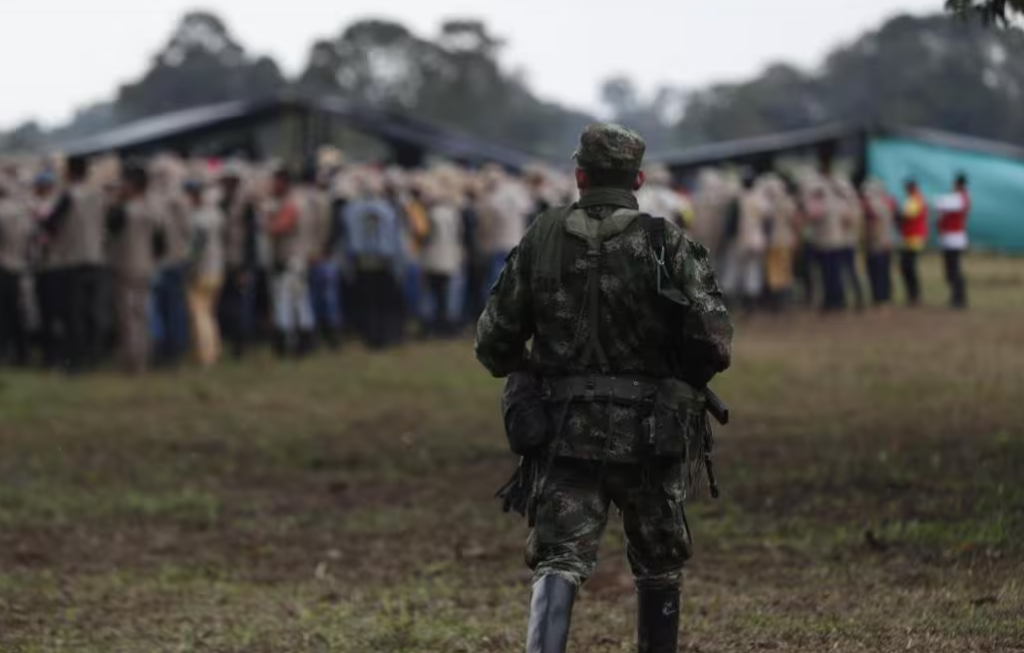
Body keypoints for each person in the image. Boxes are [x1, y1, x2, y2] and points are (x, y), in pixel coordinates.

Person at [476, 123, 733, 653]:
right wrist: (679, 377)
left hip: (563, 431)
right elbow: (714, 342)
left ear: (580, 176)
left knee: (558, 558)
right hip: (652, 434)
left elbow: (494, 341)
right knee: (659, 562)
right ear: (637, 179)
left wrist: (530, 371)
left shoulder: (542, 237)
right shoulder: (665, 241)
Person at [38, 156, 108, 371]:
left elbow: (50, 224)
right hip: (96, 259)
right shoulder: (100, 195)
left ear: (69, 172)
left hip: (72, 260)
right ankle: (94, 357)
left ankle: (75, 361)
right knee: (92, 311)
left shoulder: (69, 196)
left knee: (72, 313)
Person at [107, 164, 163, 374]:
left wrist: (116, 199)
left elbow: (110, 227)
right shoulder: (153, 210)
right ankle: (144, 357)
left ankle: (133, 362)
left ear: (132, 185)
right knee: (143, 314)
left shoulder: (123, 210)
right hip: (147, 266)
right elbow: (161, 244)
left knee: (127, 316)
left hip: (125, 266)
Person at [342, 170, 406, 350]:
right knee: (384, 299)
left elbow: (348, 238)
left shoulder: (352, 209)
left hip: (362, 259)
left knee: (367, 299)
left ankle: (370, 335)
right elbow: (395, 239)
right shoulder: (387, 209)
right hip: (384, 259)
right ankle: (385, 336)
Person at [264, 167, 316, 357]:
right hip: (298, 256)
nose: (272, 186)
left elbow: (279, 228)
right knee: (300, 301)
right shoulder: (300, 201)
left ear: (283, 182)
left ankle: (286, 342)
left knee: (286, 301)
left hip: (291, 258)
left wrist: (266, 217)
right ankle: (304, 341)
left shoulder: (292, 203)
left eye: (275, 182)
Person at [149, 158, 192, 367]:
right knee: (175, 306)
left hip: (159, 262)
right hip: (176, 259)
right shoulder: (180, 198)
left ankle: (165, 348)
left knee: (161, 308)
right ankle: (176, 348)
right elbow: (187, 229)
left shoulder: (152, 198)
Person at [217, 163, 259, 358]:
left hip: (240, 262)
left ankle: (241, 343)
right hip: (224, 260)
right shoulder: (222, 202)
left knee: (241, 305)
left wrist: (246, 267)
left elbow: (251, 238)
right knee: (228, 304)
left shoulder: (246, 205)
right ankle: (231, 338)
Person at [183, 179, 225, 367]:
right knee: (209, 314)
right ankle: (215, 349)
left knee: (200, 315)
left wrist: (189, 269)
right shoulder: (217, 215)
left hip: (202, 271)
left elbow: (196, 250)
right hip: (217, 269)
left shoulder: (198, 219)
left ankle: (206, 355)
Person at [420, 173, 465, 338]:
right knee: (446, 296)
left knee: (432, 294)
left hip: (433, 258)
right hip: (449, 259)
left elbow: (426, 237)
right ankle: (447, 326)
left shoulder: (431, 214)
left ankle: (432, 326)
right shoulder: (453, 213)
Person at [0, 179, 32, 366]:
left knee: (3, 314)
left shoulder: (2, 211)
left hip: (3, 265)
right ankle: (22, 352)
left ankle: (5, 351)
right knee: (16, 312)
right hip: (17, 266)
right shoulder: (21, 211)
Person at [934, 173, 971, 309]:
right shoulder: (958, 197)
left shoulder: (961, 197)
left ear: (958, 183)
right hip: (949, 237)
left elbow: (940, 203)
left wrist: (941, 204)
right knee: (950, 270)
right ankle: (955, 297)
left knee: (954, 269)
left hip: (955, 238)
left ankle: (959, 299)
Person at [861, 178, 897, 308]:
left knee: (877, 272)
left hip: (877, 243)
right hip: (886, 241)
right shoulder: (886, 203)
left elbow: (874, 225)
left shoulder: (873, 205)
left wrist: (869, 239)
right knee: (884, 271)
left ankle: (880, 298)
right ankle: (885, 297)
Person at [899, 179, 928, 307]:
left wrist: (897, 216)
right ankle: (913, 295)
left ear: (910, 188)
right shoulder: (914, 198)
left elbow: (907, 215)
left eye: (906, 188)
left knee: (908, 267)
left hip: (914, 238)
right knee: (908, 267)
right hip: (910, 237)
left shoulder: (915, 199)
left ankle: (914, 295)